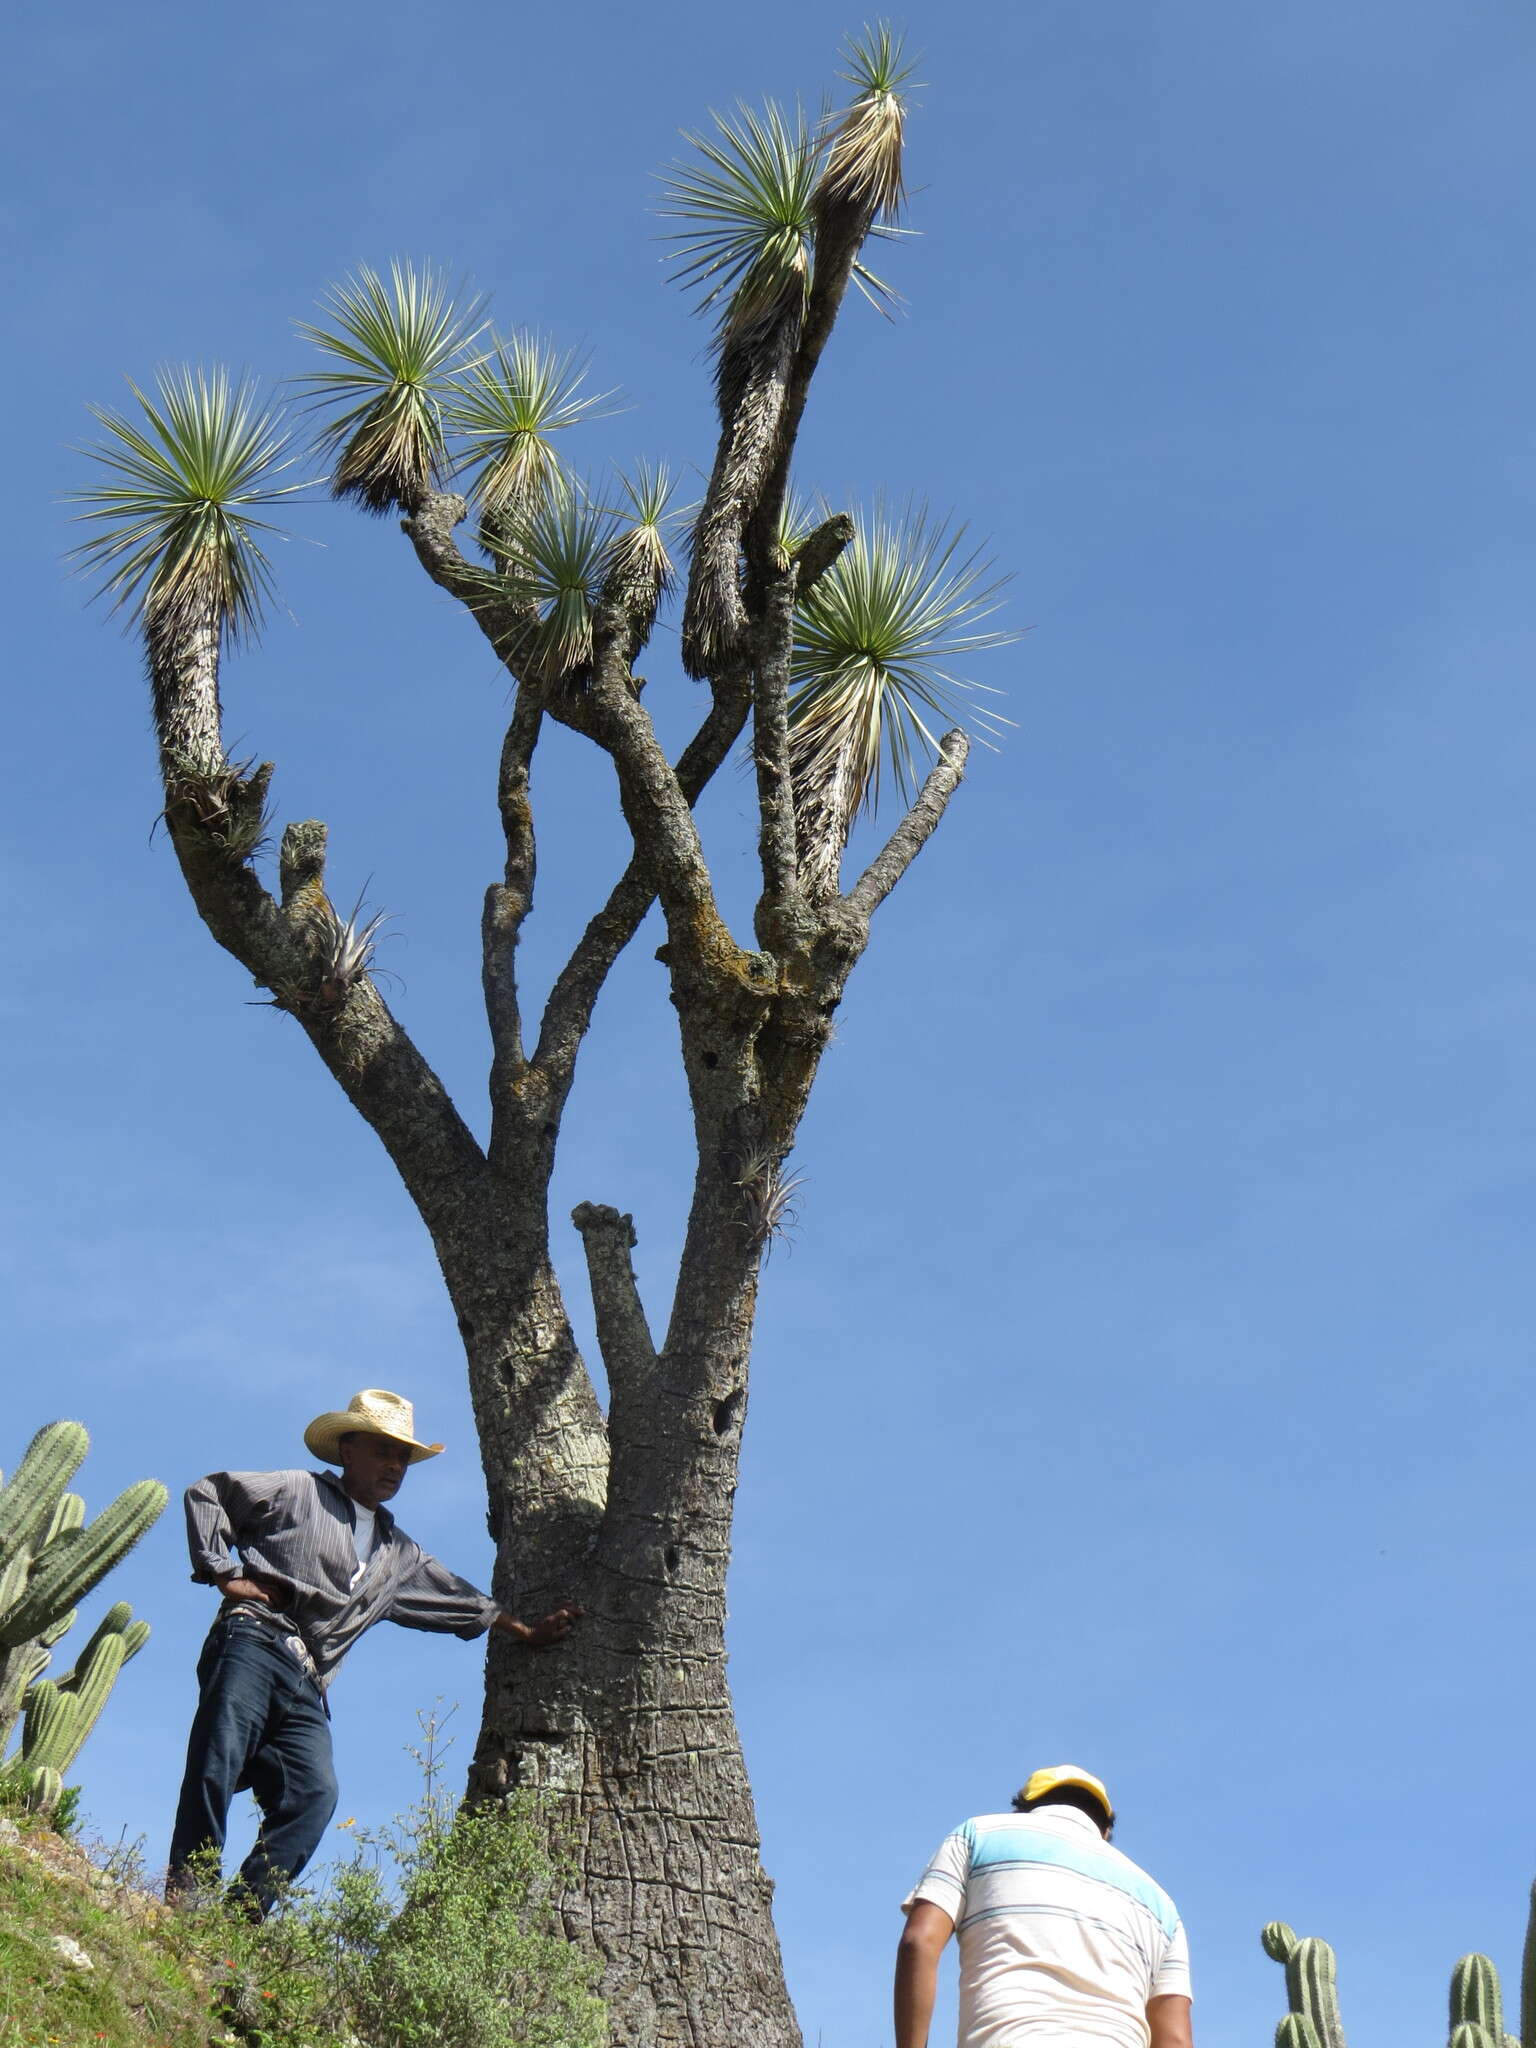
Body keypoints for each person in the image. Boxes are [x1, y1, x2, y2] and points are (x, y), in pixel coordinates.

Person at [166, 1387, 577, 1913]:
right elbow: (209, 1492)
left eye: (403, 1457)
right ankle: (187, 1895)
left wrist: (527, 1633)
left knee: (313, 1797)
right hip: (254, 1637)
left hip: (308, 1681)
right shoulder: (297, 1490)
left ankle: (239, 1920)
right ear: (347, 1451)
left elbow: (461, 1599)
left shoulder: (397, 1553)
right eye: (382, 1451)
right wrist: (223, 1572)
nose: (395, 1466)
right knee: (216, 1758)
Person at [896, 1764, 1193, 2048]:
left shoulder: (979, 1835)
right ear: (1105, 1831)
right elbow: (1175, 2040)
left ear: (1023, 1808)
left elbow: (918, 1942)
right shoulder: (1162, 1907)